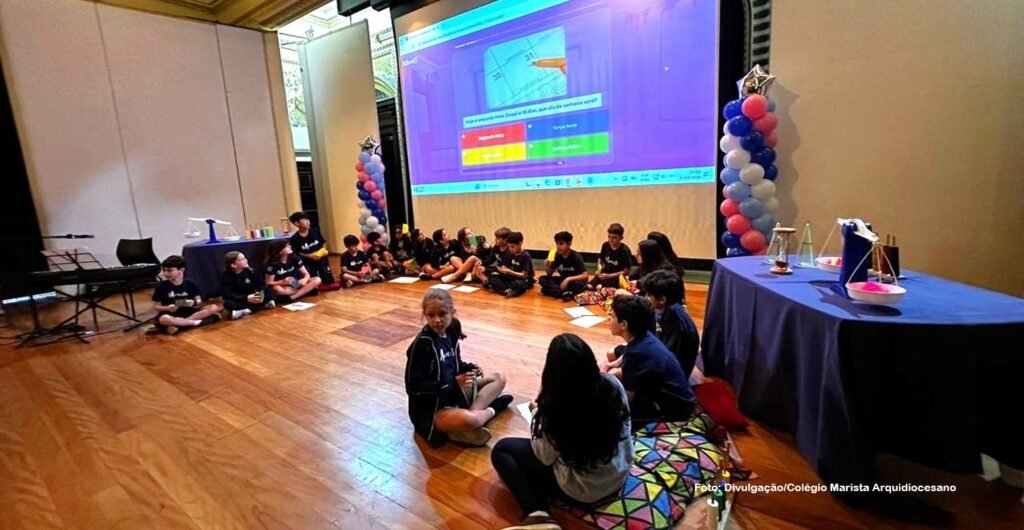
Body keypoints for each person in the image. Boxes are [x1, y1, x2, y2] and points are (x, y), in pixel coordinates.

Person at [491, 334, 633, 530]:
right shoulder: (612, 384)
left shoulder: (556, 407)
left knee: (502, 450)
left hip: (584, 490)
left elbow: (544, 456)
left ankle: (537, 513)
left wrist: (536, 413)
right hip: (619, 472)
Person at [405, 289, 513, 446]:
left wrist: (469, 368)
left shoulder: (452, 331)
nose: (437, 320)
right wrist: (451, 384)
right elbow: (413, 387)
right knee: (470, 419)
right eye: (431, 315)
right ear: (424, 315)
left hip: (454, 394)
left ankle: (465, 425)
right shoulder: (422, 345)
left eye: (442, 314)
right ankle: (492, 410)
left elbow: (454, 363)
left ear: (452, 312)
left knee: (499, 377)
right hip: (433, 408)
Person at [606, 295, 694, 428]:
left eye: (612, 316)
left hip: (674, 413)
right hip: (682, 398)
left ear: (624, 324)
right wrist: (613, 366)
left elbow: (628, 399)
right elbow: (628, 353)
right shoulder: (644, 336)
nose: (609, 319)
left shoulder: (637, 354)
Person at [639, 270, 699, 375]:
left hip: (670, 373)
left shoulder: (677, 323)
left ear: (662, 299)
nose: (645, 298)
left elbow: (667, 360)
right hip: (659, 355)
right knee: (615, 354)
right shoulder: (661, 309)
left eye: (648, 294)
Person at [151, 255, 222, 335]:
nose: (166, 273)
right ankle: (195, 322)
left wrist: (193, 302)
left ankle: (181, 324)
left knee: (214, 307)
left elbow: (199, 300)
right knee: (164, 319)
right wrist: (167, 308)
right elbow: (155, 306)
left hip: (190, 312)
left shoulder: (190, 283)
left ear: (181, 270)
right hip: (172, 314)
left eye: (169, 271)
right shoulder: (161, 286)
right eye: (164, 270)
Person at [288, 211, 339, 290]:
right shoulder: (294, 239)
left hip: (321, 258)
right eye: (304, 220)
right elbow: (297, 253)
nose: (308, 222)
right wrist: (309, 255)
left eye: (307, 219)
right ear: (297, 223)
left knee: (328, 280)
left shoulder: (315, 231)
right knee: (313, 281)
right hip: (307, 261)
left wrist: (323, 251)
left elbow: (323, 242)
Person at [220, 251, 275, 319]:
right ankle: (259, 307)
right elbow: (227, 295)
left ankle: (245, 311)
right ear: (233, 265)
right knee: (229, 304)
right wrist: (246, 298)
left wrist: (261, 294)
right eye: (241, 259)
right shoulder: (226, 276)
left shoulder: (249, 271)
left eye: (245, 258)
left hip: (252, 296)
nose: (246, 260)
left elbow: (260, 284)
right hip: (241, 299)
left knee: (270, 292)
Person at [539, 231, 589, 300]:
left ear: (569, 244)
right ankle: (565, 293)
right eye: (557, 244)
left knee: (579, 285)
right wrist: (547, 265)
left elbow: (585, 276)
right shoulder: (557, 255)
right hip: (563, 280)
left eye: (561, 244)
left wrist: (568, 279)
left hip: (574, 281)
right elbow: (549, 274)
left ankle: (555, 292)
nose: (558, 247)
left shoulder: (576, 256)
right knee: (542, 279)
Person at [487, 231, 534, 297]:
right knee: (493, 276)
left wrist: (510, 272)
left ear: (520, 243)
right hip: (512, 277)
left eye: (512, 247)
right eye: (509, 247)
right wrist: (503, 269)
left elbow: (524, 275)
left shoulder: (525, 256)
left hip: (523, 279)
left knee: (520, 284)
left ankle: (502, 289)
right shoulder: (511, 253)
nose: (510, 249)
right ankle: (507, 291)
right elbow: (505, 265)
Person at [589, 223, 633, 290]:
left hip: (616, 277)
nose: (610, 240)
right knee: (589, 286)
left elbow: (626, 271)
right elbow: (600, 259)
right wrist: (598, 269)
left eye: (614, 237)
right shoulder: (605, 245)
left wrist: (609, 276)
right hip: (605, 273)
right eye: (609, 236)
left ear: (621, 238)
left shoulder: (624, 250)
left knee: (600, 288)